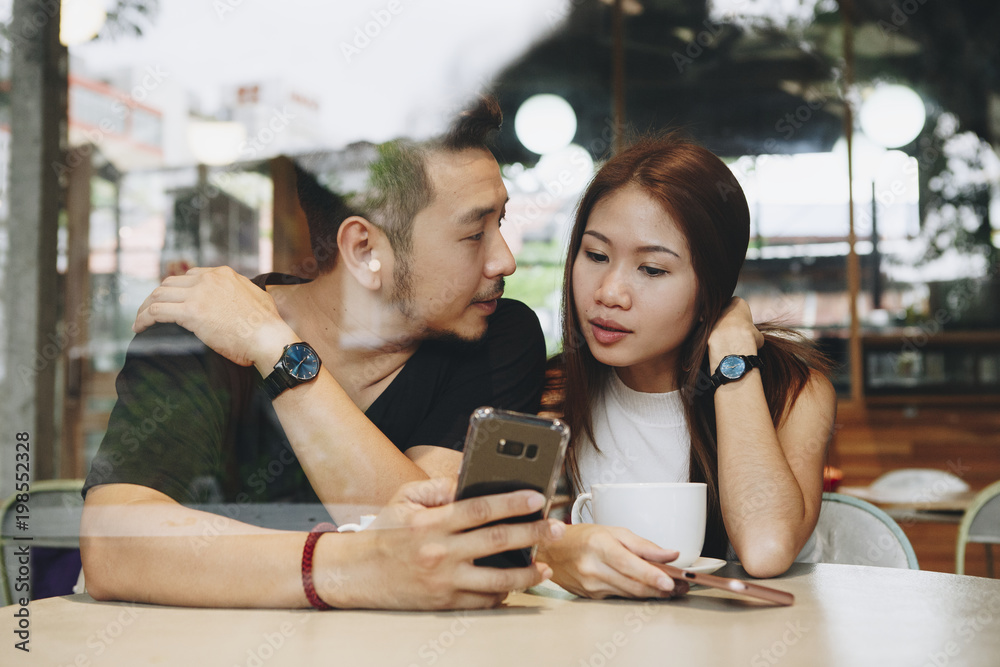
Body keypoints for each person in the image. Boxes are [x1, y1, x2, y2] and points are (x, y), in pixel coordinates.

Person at [80, 96, 557, 609]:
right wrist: (351, 567)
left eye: (500, 224)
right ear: (364, 250)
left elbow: (439, 538)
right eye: (473, 234)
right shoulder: (203, 330)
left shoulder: (497, 335)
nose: (504, 260)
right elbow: (112, 547)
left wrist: (276, 349)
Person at [538, 134, 837, 599]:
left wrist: (734, 355)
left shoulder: (794, 390)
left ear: (710, 288)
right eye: (596, 255)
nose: (609, 292)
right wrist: (555, 548)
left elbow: (765, 549)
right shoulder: (551, 388)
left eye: (652, 270)